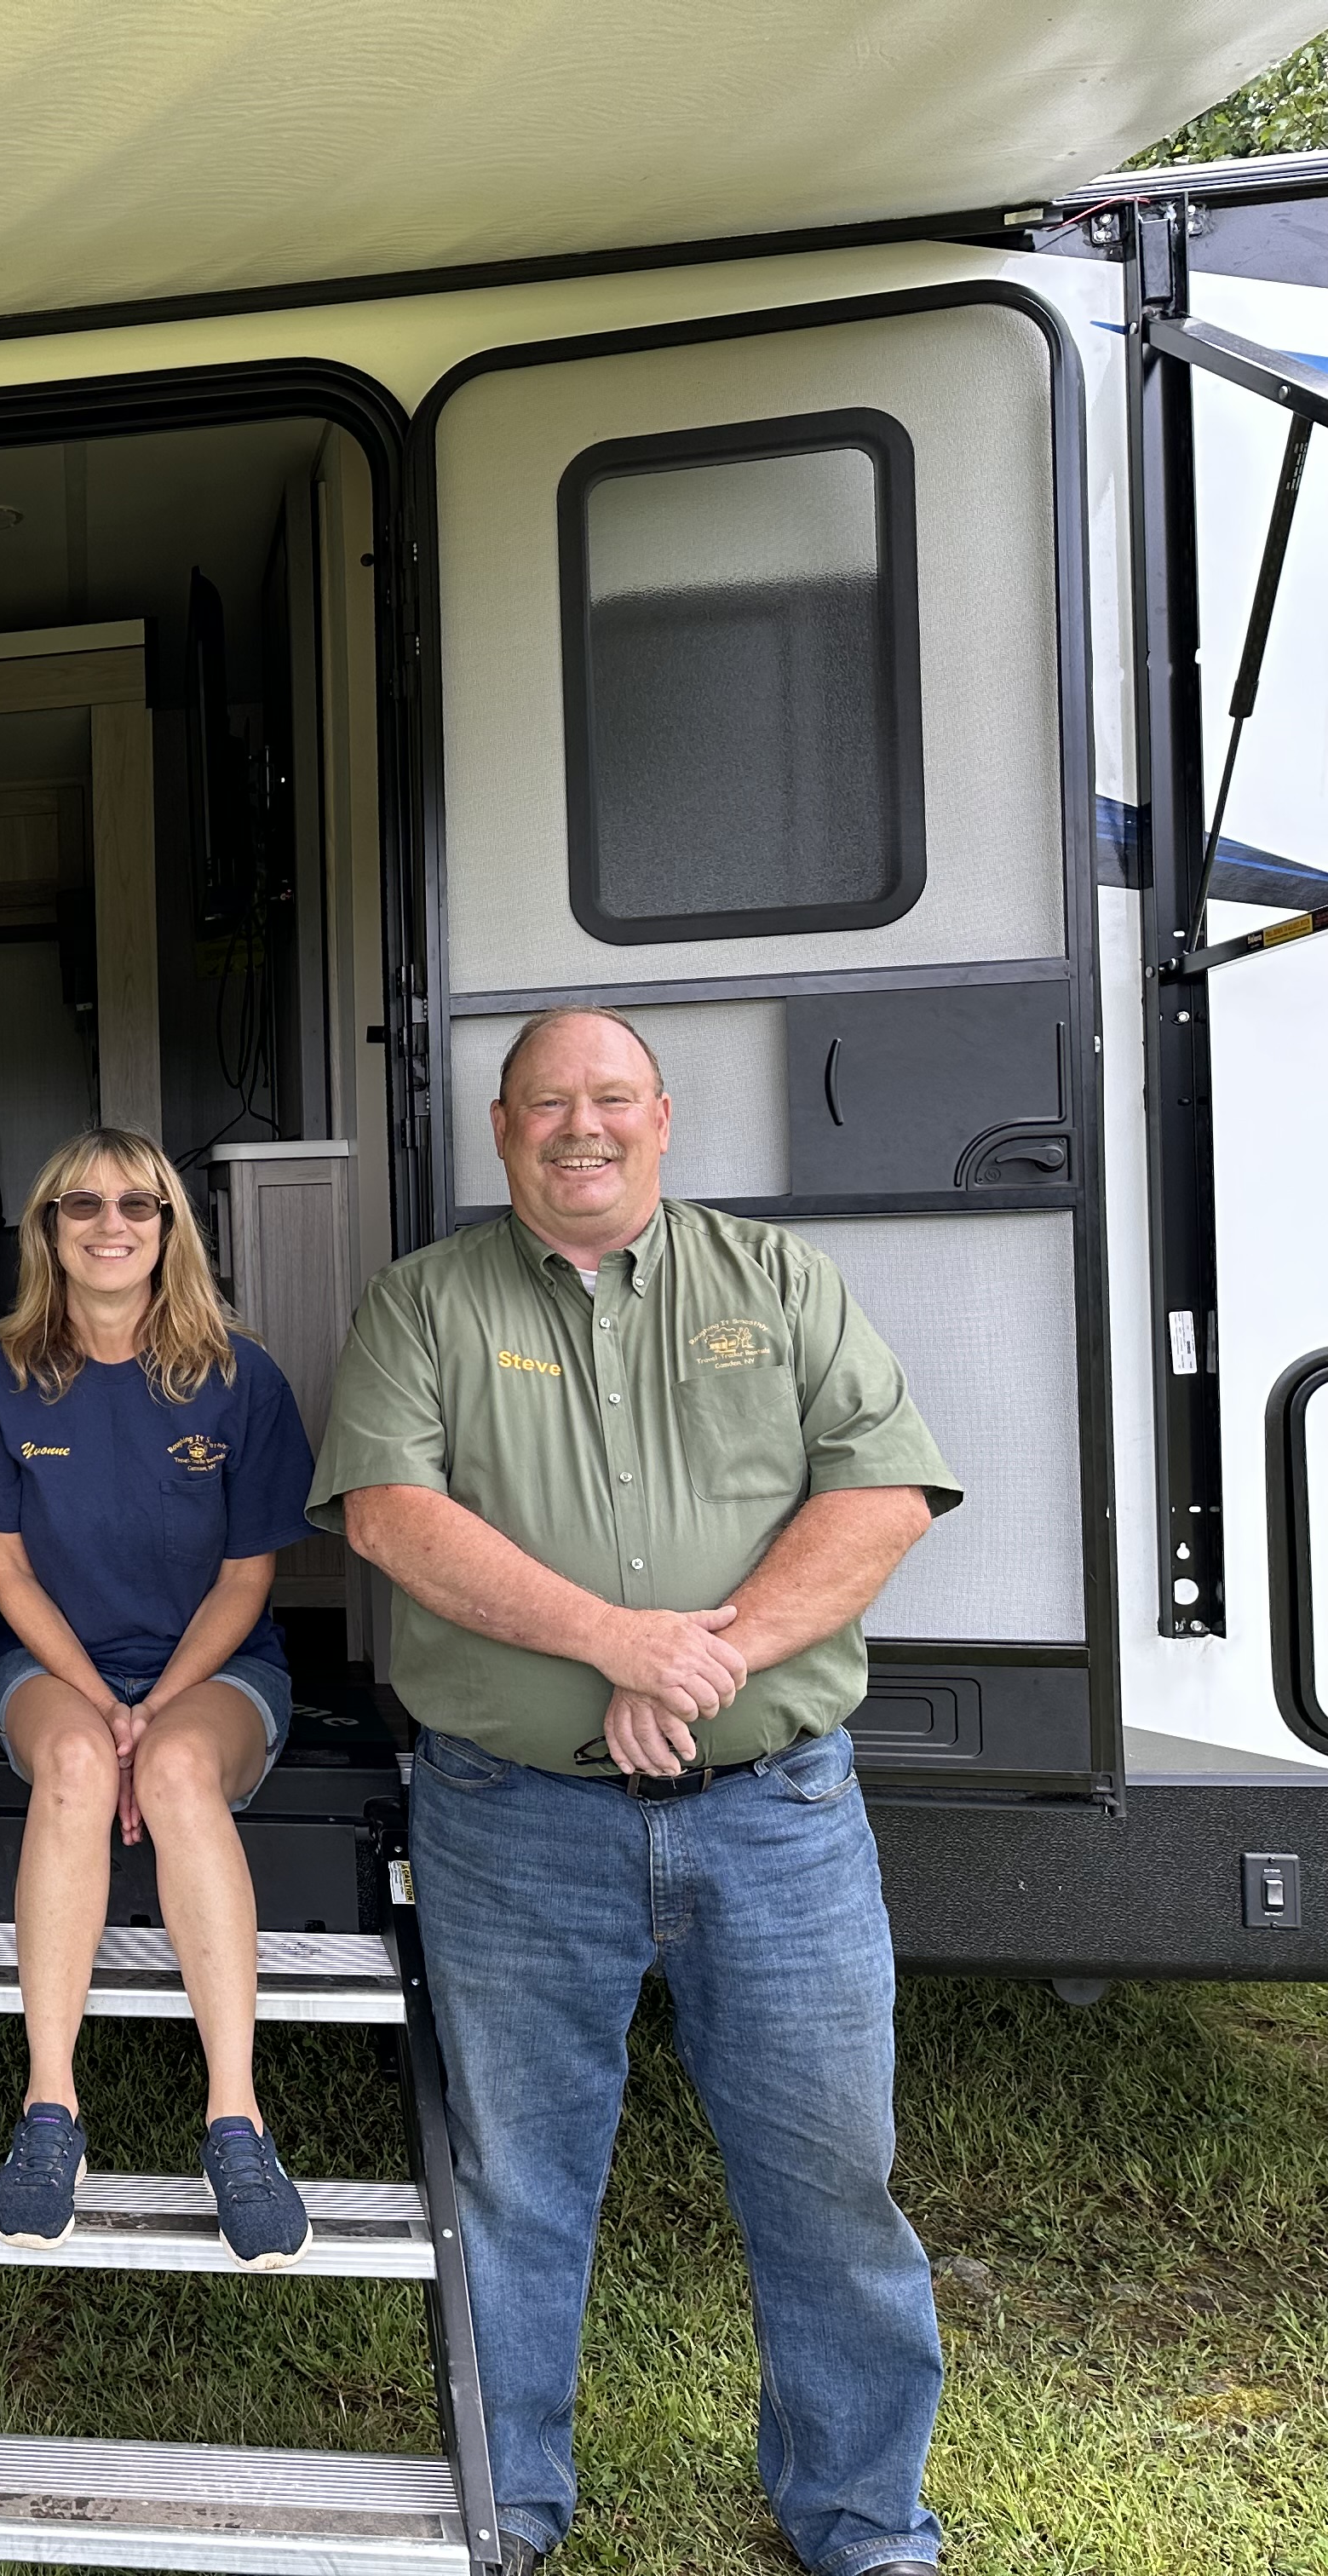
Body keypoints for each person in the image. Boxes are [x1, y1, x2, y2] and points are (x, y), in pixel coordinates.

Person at [309, 1004, 958, 2576]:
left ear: (662, 1119)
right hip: (512, 1819)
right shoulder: (424, 1303)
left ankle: (863, 2517)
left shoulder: (777, 1282)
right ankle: (510, 2502)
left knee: (829, 2179)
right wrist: (617, 1643)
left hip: (777, 1815)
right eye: (546, 1104)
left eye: (611, 1099)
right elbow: (389, 1514)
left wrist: (699, 1661)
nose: (579, 1127)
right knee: (518, 2182)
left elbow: (882, 1496)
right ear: (501, 1131)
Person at [0, 1126, 319, 2264]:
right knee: (75, 1763)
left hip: (215, 1665)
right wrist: (106, 1707)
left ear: (168, 1228)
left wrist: (155, 1714)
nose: (111, 1225)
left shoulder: (240, 1376)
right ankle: (50, 2109)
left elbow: (248, 1579)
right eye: (83, 1205)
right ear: (47, 1230)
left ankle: (236, 2120)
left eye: (137, 1205)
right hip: (57, 1665)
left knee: (182, 1766)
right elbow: (6, 1574)